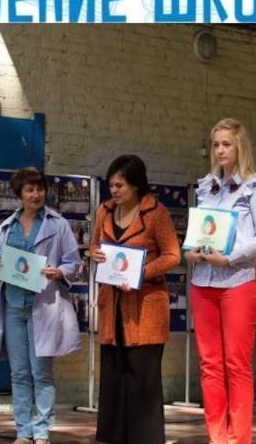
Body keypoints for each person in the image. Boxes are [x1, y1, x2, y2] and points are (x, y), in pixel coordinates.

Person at [185, 118, 256, 444]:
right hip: (203, 283)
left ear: (240, 147)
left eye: (226, 144)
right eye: (216, 144)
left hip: (239, 281)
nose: (220, 150)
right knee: (210, 366)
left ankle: (238, 440)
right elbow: (199, 233)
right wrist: (190, 252)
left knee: (237, 365)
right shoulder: (205, 186)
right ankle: (216, 438)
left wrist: (230, 257)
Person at [90, 154, 181, 444]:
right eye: (111, 185)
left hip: (145, 305)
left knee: (143, 376)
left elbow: (172, 255)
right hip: (112, 304)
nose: (114, 191)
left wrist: (140, 273)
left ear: (137, 184)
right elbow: (94, 244)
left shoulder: (155, 212)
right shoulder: (105, 210)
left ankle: (145, 437)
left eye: (120, 185)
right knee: (114, 371)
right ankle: (114, 436)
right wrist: (94, 254)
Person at [0, 167, 81, 444]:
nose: (36, 194)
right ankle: (22, 432)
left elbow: (73, 261)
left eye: (40, 189)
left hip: (43, 306)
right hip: (13, 305)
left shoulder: (58, 224)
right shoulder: (6, 226)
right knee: (19, 373)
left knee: (41, 372)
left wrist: (59, 272)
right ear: (19, 194)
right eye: (29, 190)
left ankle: (41, 432)